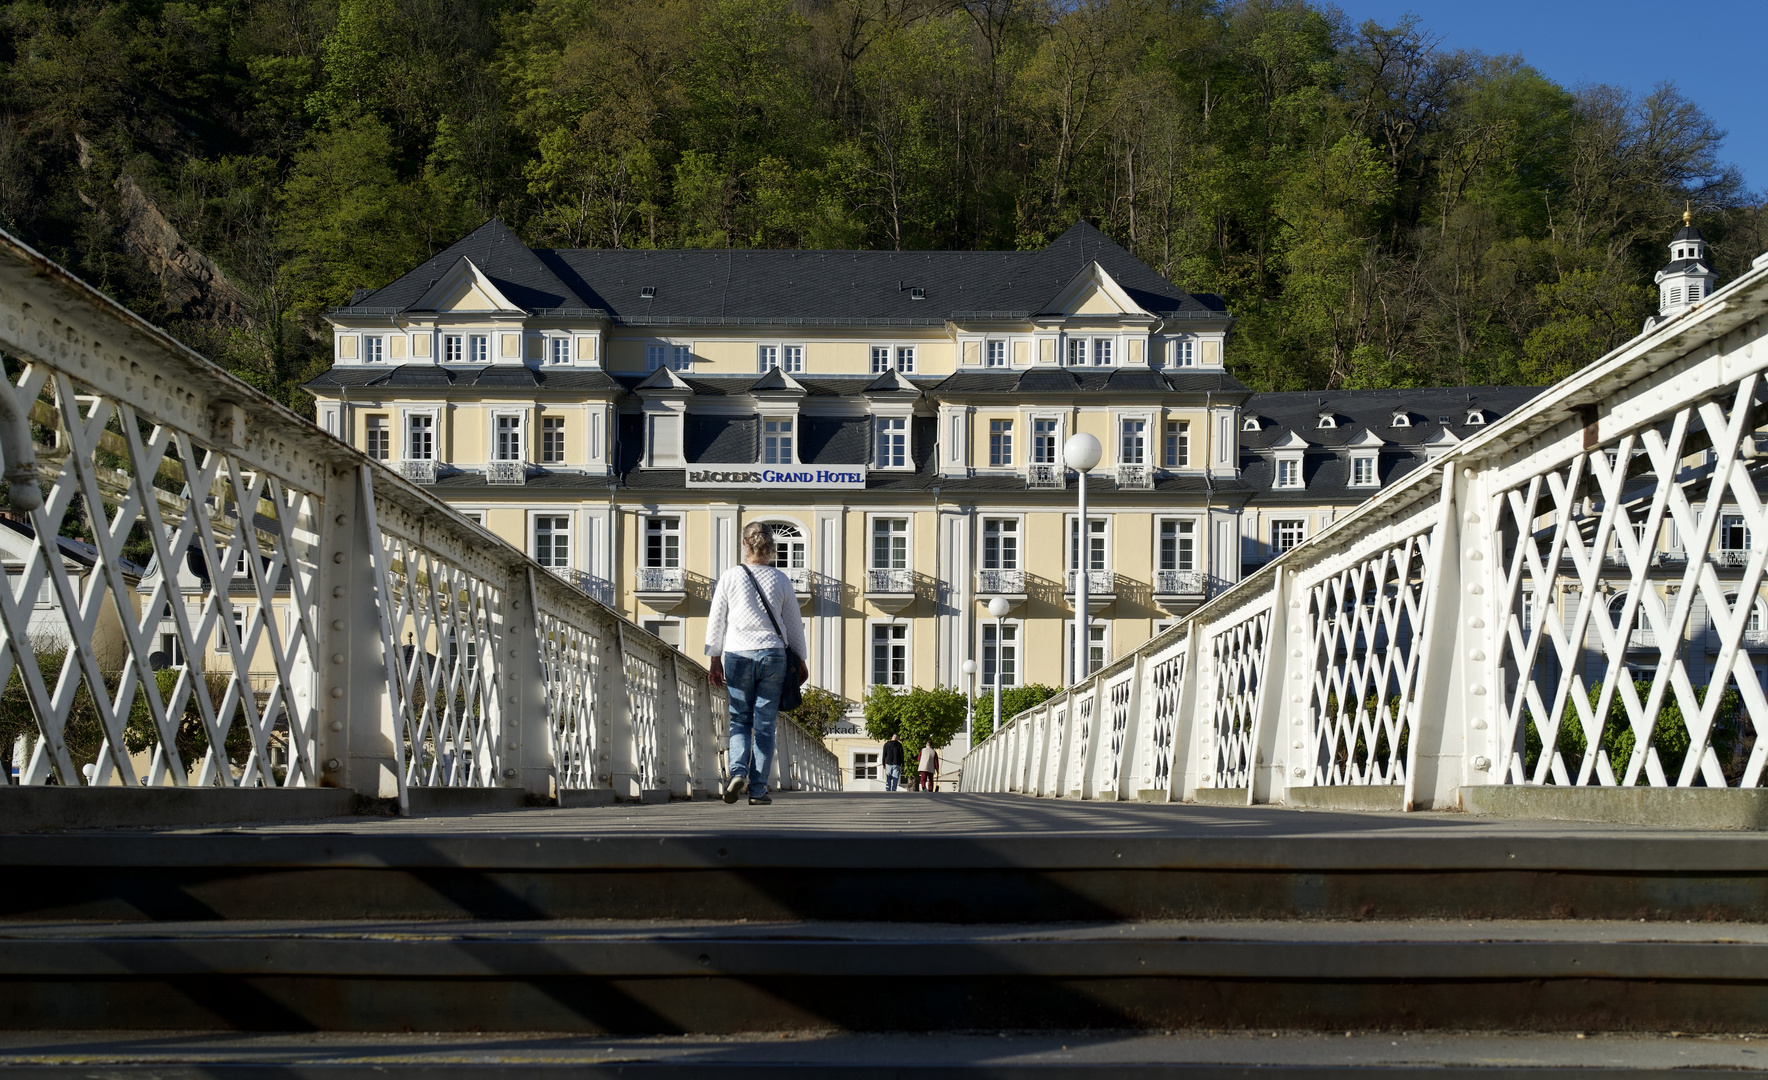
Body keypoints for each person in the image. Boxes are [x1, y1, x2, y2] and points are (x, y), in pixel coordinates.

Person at [705, 521, 809, 806]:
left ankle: (738, 771)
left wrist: (715, 658)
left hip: (737, 653)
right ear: (771, 546)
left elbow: (717, 620)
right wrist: (799, 659)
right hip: (773, 655)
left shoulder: (730, 576)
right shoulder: (780, 579)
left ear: (745, 544)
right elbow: (793, 625)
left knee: (740, 718)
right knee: (764, 725)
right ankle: (758, 789)